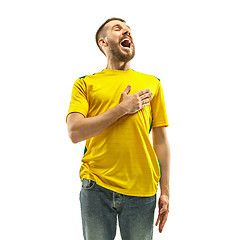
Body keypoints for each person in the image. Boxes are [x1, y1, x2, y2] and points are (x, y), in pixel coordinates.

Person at [66, 17, 170, 240]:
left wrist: (166, 192)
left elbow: (160, 141)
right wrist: (122, 108)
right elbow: (75, 132)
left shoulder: (153, 83)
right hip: (96, 187)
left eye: (129, 30)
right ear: (103, 43)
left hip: (142, 190)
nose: (127, 33)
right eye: (118, 29)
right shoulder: (85, 83)